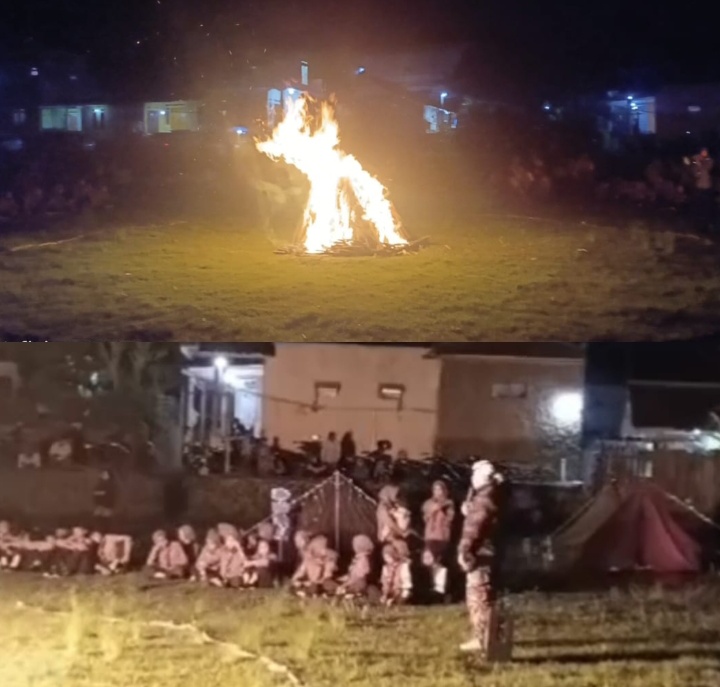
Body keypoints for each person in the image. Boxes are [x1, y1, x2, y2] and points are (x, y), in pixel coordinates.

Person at [457, 458, 505, 654]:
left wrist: (465, 551)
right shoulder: (494, 496)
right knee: (486, 596)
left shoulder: (483, 501)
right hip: (490, 553)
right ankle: (491, 636)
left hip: (480, 554)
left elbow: (473, 529)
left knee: (478, 597)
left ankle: (483, 637)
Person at [422, 480, 455, 562]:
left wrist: (442, 509)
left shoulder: (448, 503)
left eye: (439, 489)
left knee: (440, 558)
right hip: (430, 535)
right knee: (429, 557)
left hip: (442, 535)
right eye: (435, 489)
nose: (437, 492)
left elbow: (450, 518)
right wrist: (432, 511)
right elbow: (425, 518)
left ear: (443, 490)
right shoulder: (428, 503)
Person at [336, 534, 375, 599]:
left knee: (344, 591)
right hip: (353, 581)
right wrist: (344, 579)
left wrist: (344, 585)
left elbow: (356, 577)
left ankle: (355, 594)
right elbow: (352, 574)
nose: (353, 547)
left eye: (355, 544)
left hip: (358, 584)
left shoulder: (362, 560)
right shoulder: (357, 558)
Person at [686, 147, 715, 233]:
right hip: (698, 187)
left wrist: (700, 162)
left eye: (705, 152)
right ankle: (697, 226)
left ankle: (706, 226)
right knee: (698, 207)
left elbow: (708, 167)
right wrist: (696, 164)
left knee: (706, 207)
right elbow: (695, 174)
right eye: (702, 152)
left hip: (707, 187)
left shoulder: (709, 160)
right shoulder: (696, 163)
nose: (703, 153)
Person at [380, 540, 412, 606]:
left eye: (388, 557)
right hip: (390, 591)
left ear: (393, 555)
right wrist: (385, 593)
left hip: (401, 590)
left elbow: (406, 582)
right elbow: (385, 582)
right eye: (385, 558)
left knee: (404, 595)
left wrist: (401, 590)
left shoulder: (403, 566)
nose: (387, 559)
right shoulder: (386, 568)